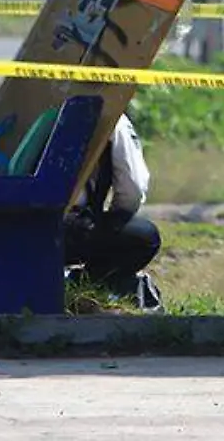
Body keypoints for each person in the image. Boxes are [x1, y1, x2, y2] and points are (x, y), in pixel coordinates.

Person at [62, 113, 162, 308]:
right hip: (69, 230)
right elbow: (133, 188)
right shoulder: (113, 117)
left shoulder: (24, 104)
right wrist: (110, 220)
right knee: (145, 237)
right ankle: (82, 284)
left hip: (12, 227)